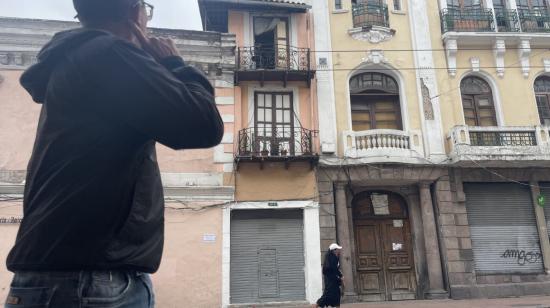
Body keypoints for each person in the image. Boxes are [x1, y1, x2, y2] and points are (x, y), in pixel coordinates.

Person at [4, 0, 223, 307]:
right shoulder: (109, 54)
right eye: (145, 10)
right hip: (90, 282)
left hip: (57, 278)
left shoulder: (73, 64)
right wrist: (175, 64)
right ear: (136, 14)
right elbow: (204, 125)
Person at [314, 243, 344, 308]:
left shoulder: (331, 257)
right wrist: (340, 276)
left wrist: (340, 276)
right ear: (334, 250)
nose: (339, 250)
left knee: (336, 294)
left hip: (330, 279)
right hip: (331, 280)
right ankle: (316, 305)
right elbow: (334, 269)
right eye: (338, 249)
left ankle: (336, 306)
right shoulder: (333, 258)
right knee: (328, 294)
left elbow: (334, 269)